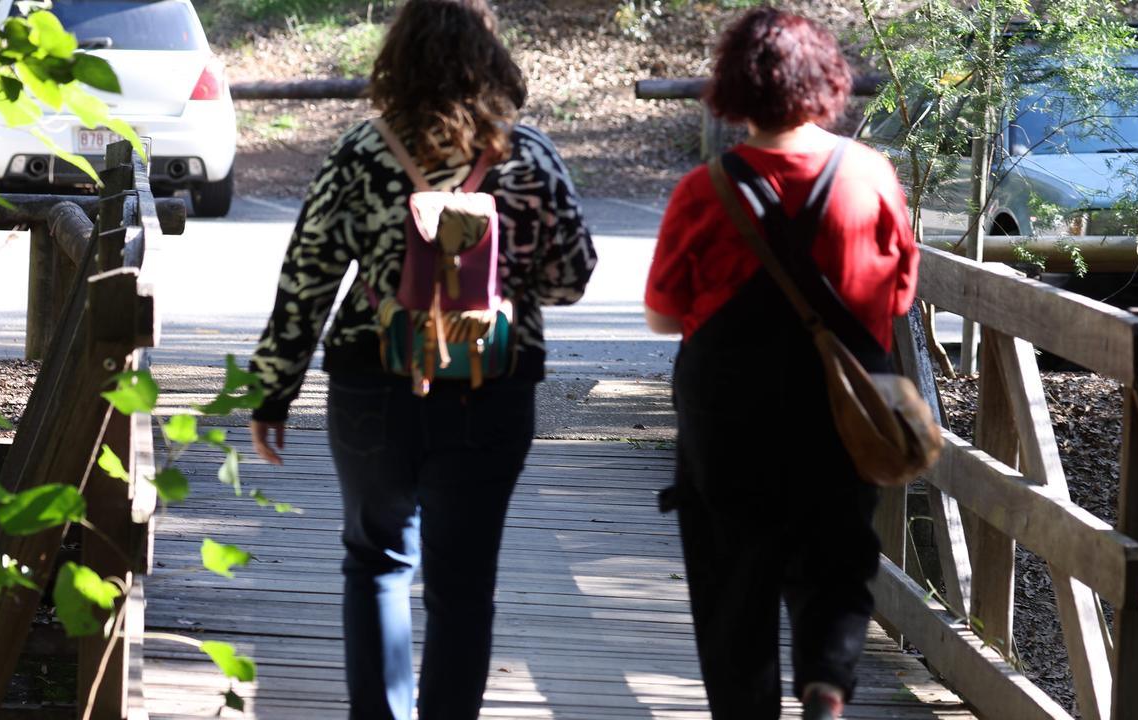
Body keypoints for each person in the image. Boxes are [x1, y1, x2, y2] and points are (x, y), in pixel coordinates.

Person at [246, 0, 596, 717]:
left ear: (397, 60)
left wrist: (272, 391)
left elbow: (306, 278)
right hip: (492, 386)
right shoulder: (527, 156)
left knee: (375, 563)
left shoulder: (362, 151)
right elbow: (571, 279)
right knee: (464, 585)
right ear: (491, 62)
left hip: (371, 382)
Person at [643, 8, 918, 720]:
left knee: (734, 588)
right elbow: (899, 297)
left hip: (728, 424)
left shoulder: (705, 190)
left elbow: (663, 314)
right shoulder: (871, 177)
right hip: (842, 415)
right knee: (837, 561)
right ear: (827, 80)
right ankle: (827, 682)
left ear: (733, 87)